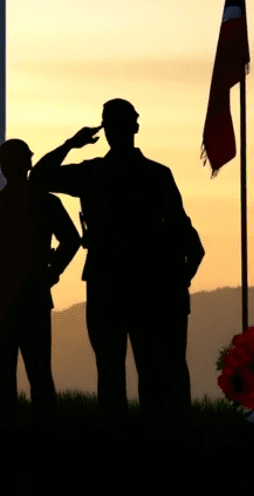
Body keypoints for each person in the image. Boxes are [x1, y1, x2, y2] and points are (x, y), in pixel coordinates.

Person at [31, 99, 204, 418]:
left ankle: (117, 445)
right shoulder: (154, 174)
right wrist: (180, 279)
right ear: (135, 127)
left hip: (111, 282)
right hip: (144, 283)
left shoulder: (93, 173)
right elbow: (186, 235)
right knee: (148, 372)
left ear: (106, 130)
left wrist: (72, 144)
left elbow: (38, 177)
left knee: (113, 372)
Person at [0, 140, 80, 413]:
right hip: (32, 299)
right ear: (29, 164)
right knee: (39, 376)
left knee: (5, 381)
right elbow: (71, 240)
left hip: (2, 304)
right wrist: (52, 272)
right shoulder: (46, 202)